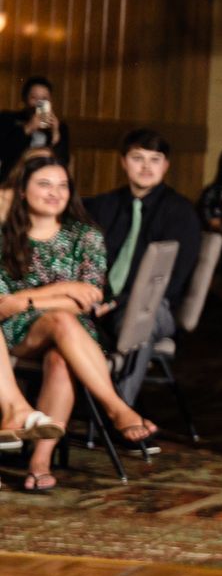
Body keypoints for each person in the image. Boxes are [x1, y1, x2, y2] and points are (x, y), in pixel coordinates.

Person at [1, 155, 159, 491]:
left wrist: (27, 298)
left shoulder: (85, 235)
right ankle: (116, 407)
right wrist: (63, 290)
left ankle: (40, 461)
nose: (54, 192)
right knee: (61, 316)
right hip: (15, 334)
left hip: (75, 333)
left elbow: (90, 298)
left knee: (61, 357)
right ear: (23, 191)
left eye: (62, 185)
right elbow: (3, 307)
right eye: (44, 184)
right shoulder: (5, 237)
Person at [84, 128, 204, 402]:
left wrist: (117, 302)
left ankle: (119, 409)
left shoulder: (181, 212)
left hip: (154, 307)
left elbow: (169, 282)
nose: (146, 167)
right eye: (138, 158)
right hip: (100, 302)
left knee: (140, 319)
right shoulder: (103, 205)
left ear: (166, 165)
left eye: (155, 159)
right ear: (124, 162)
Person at [0, 77, 70, 176]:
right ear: (25, 99)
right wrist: (28, 128)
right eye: (34, 98)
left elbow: (63, 161)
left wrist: (55, 133)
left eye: (44, 99)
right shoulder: (9, 119)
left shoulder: (60, 127)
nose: (39, 103)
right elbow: (4, 152)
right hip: (14, 175)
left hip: (45, 175)